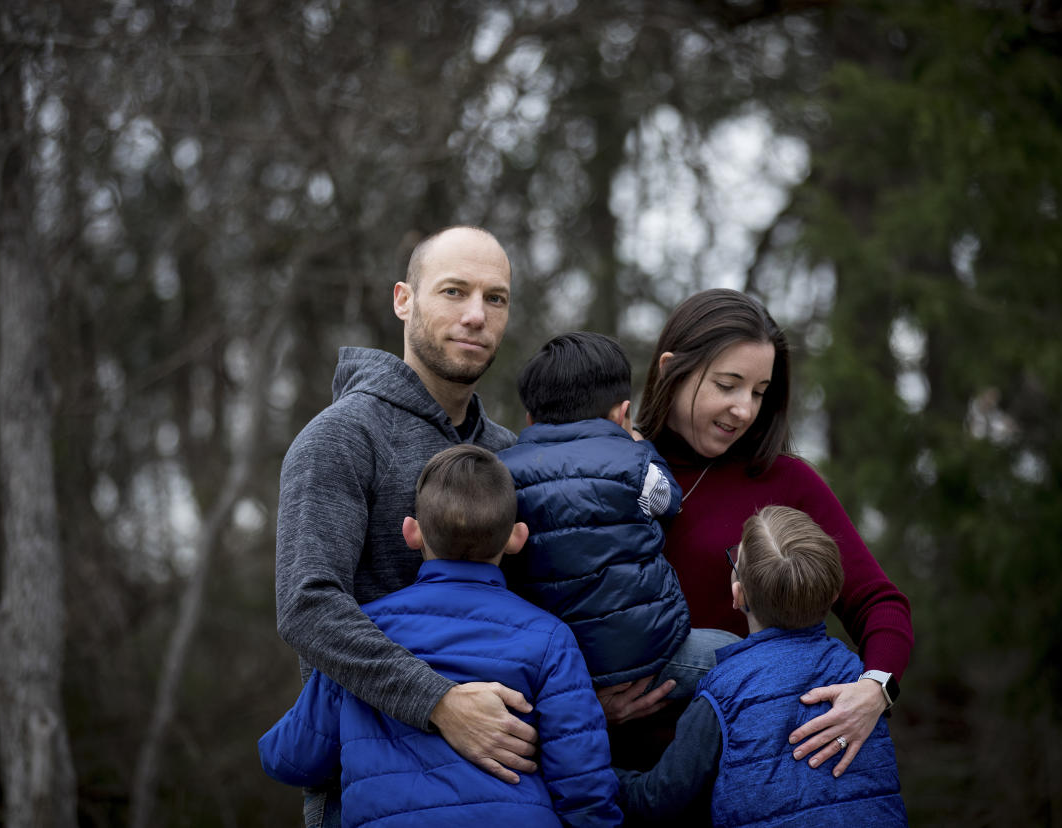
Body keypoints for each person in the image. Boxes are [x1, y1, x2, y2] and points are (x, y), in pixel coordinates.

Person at [274, 226, 536, 826]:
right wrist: (439, 703)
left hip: (505, 785)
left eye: (495, 298)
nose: (476, 315)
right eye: (453, 291)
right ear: (404, 300)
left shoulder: (509, 454)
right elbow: (307, 605)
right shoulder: (341, 437)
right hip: (369, 787)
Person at [601, 288, 913, 778]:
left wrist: (875, 688)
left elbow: (880, 603)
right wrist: (591, 709)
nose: (745, 409)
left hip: (759, 780)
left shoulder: (787, 482)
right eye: (728, 385)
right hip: (621, 781)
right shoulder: (607, 468)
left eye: (759, 391)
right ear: (669, 370)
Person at [260, 445, 622, 827]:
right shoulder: (551, 639)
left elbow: (291, 757)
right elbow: (585, 789)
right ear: (516, 538)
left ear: (411, 532)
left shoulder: (362, 634)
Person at [615, 505, 908, 826]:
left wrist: (598, 772)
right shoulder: (857, 680)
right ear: (835, 593)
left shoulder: (722, 691)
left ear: (738, 594)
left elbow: (658, 800)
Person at [498, 332, 738, 697]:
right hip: (647, 654)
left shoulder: (501, 473)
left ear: (530, 419)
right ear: (623, 413)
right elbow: (669, 501)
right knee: (736, 655)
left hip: (549, 668)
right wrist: (642, 447)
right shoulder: (634, 463)